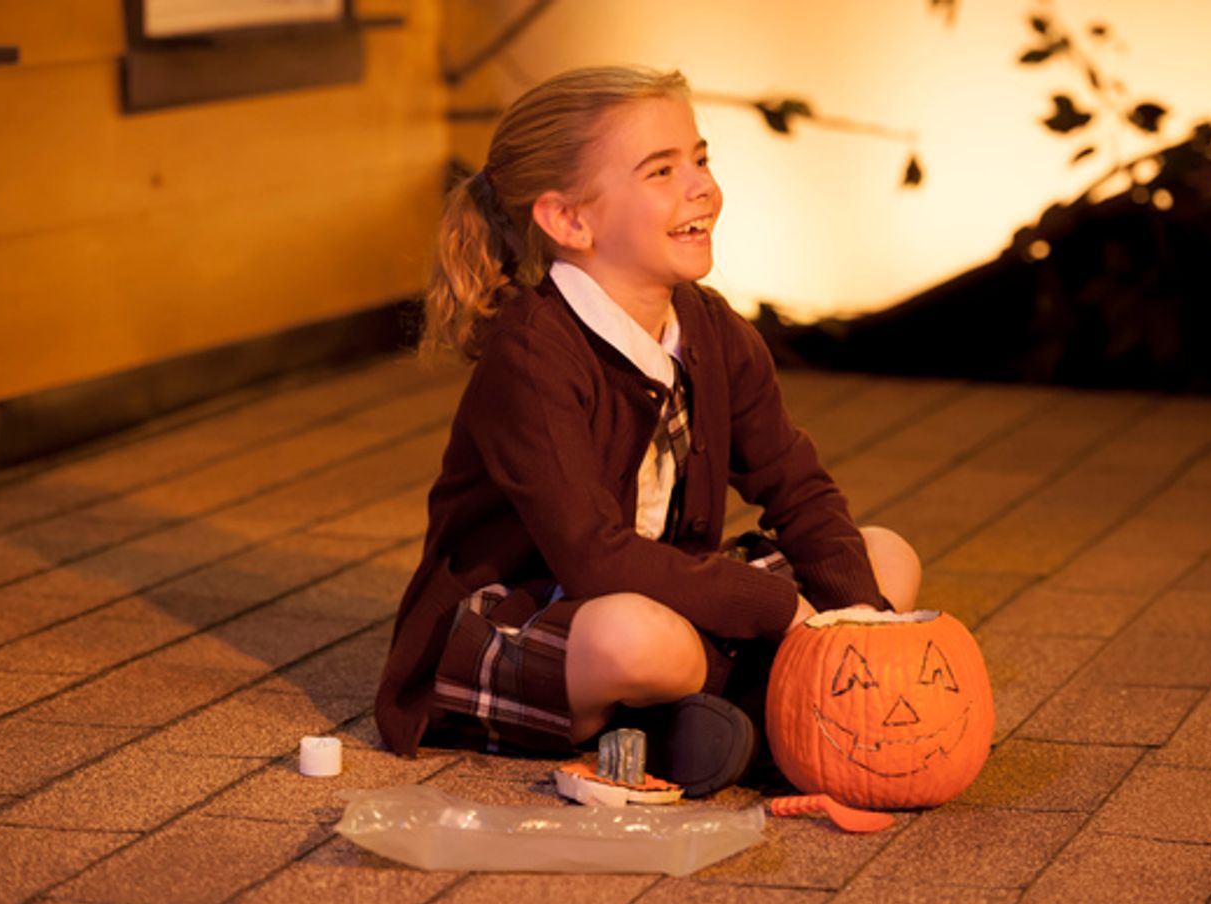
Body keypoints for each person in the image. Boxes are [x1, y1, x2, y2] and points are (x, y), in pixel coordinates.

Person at [375, 65, 921, 796]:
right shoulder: (532, 354)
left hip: (670, 592)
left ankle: (720, 714)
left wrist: (860, 622)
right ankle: (719, 717)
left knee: (883, 556)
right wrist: (780, 611)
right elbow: (595, 559)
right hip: (539, 610)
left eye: (700, 158)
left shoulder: (712, 326)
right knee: (636, 640)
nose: (700, 186)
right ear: (570, 220)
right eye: (661, 170)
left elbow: (796, 485)